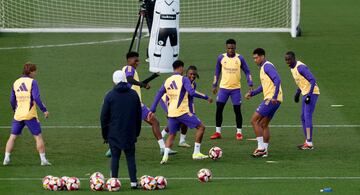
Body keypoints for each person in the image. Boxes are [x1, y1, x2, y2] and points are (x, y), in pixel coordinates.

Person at [150, 60, 213, 164]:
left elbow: (159, 93)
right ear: (181, 68)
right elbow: (191, 93)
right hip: (182, 112)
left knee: (172, 135)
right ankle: (196, 153)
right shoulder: (184, 79)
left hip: (171, 112)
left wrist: (152, 109)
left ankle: (165, 157)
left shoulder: (167, 80)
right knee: (201, 127)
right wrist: (206, 97)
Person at [3, 62, 51, 166]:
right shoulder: (33, 82)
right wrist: (44, 110)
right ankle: (43, 160)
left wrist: (14, 109)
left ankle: (6, 158)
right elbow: (36, 98)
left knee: (12, 137)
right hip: (30, 114)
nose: (36, 73)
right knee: (38, 137)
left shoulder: (16, 82)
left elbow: (12, 99)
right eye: (35, 71)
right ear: (31, 71)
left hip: (18, 114)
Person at [101, 70, 141, 189]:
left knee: (115, 157)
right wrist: (137, 132)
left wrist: (105, 135)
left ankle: (113, 182)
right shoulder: (134, 94)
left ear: (114, 81)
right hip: (130, 132)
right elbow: (138, 115)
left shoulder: (110, 95)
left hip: (114, 132)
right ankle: (133, 182)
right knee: (130, 157)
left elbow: (103, 117)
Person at [210, 39, 253, 140]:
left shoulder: (240, 58)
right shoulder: (221, 58)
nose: (230, 50)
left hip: (236, 90)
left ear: (235, 47)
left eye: (232, 48)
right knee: (219, 109)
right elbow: (217, 72)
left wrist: (250, 83)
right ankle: (218, 132)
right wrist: (214, 85)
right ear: (226, 48)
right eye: (229, 48)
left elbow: (247, 71)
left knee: (237, 110)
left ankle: (239, 132)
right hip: (223, 89)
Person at [245, 48, 283, 158]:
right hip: (276, 99)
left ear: (262, 56)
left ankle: (260, 147)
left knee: (254, 120)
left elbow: (277, 79)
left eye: (256, 58)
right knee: (263, 124)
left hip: (271, 99)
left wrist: (274, 97)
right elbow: (264, 86)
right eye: (254, 58)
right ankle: (265, 150)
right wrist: (252, 93)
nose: (255, 60)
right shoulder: (263, 68)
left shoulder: (267, 66)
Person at [285, 51, 320, 150]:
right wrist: (297, 93)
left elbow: (312, 80)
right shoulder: (292, 68)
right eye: (286, 60)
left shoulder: (300, 67)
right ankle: (307, 141)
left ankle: (309, 143)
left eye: (289, 59)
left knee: (307, 115)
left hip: (312, 92)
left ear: (293, 58)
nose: (287, 62)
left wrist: (309, 95)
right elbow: (302, 82)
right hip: (305, 92)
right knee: (303, 117)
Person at [160, 65, 200, 148]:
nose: (192, 76)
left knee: (183, 120)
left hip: (179, 104)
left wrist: (192, 112)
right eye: (191, 74)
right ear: (186, 74)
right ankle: (161, 137)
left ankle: (181, 141)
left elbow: (190, 99)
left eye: (194, 75)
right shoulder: (181, 81)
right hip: (167, 101)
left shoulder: (193, 84)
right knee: (176, 121)